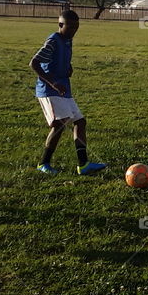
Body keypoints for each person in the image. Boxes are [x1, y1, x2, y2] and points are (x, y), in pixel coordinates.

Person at [30, 10, 107, 175]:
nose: (74, 30)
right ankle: (43, 163)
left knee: (80, 122)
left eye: (76, 27)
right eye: (70, 27)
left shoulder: (68, 40)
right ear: (60, 25)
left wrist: (68, 67)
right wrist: (53, 82)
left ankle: (83, 164)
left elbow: (59, 59)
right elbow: (34, 63)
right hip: (50, 90)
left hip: (64, 88)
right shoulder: (53, 41)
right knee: (60, 125)